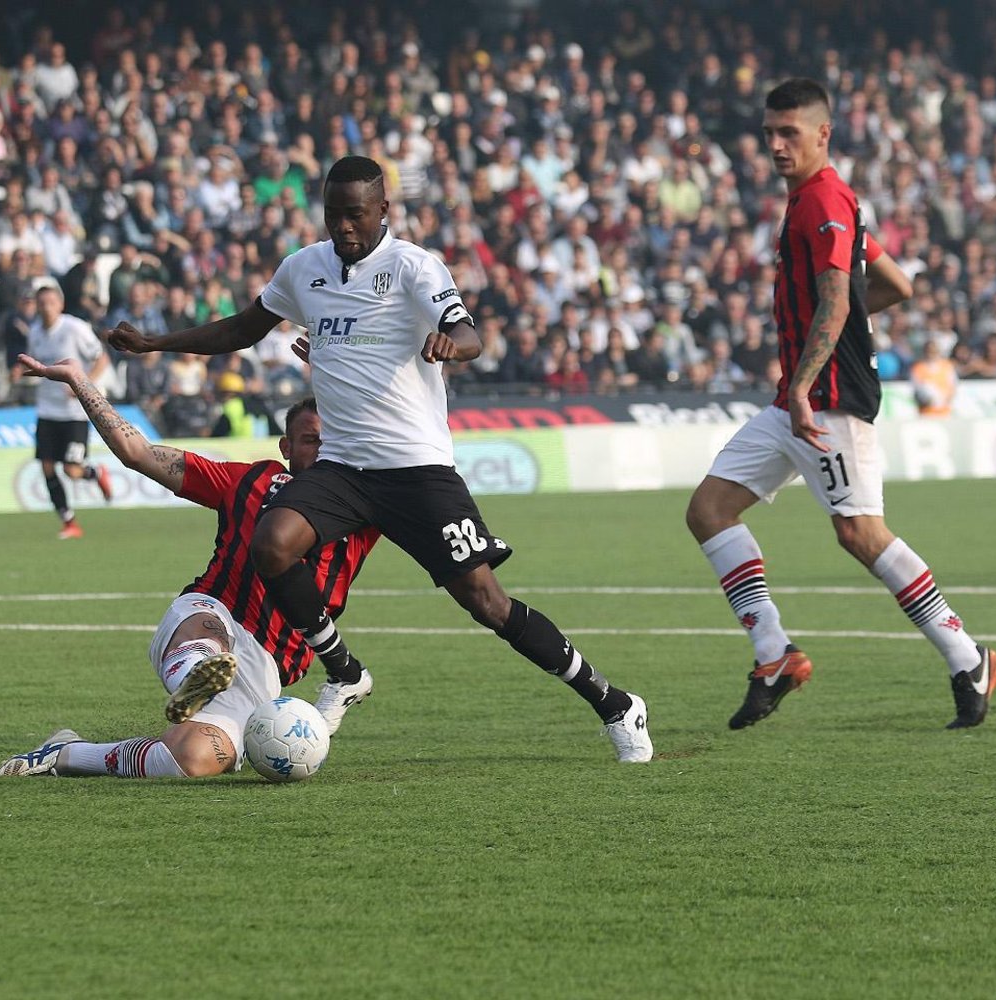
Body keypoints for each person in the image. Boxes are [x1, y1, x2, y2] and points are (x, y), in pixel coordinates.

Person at [111, 156, 652, 763]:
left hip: (416, 469)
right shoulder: (304, 269)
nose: (343, 226)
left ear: (383, 212)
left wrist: (455, 346)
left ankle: (614, 702)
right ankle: (344, 671)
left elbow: (469, 332)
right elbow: (243, 328)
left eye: (355, 214)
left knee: (486, 602)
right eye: (333, 214)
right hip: (344, 470)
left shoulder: (414, 267)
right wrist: (158, 343)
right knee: (272, 544)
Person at [683, 79, 996, 731]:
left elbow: (837, 296)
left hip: (825, 400)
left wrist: (806, 380)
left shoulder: (824, 198)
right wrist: (816, 362)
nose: (775, 145)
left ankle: (967, 656)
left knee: (860, 532)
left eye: (788, 133)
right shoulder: (818, 198)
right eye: (769, 132)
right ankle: (774, 654)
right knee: (709, 510)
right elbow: (895, 284)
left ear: (822, 134)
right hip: (796, 399)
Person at [0, 358, 377, 779]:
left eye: (332, 440)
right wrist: (77, 380)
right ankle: (197, 671)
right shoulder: (249, 482)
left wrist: (342, 369)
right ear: (286, 447)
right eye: (310, 440)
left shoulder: (365, 508)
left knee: (190, 760)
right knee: (208, 644)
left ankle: (67, 754)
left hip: (266, 664)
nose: (322, 450)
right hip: (213, 613)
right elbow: (136, 452)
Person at [24, 284, 113, 538]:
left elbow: (102, 359)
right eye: (41, 303)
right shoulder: (35, 332)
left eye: (51, 302)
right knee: (47, 468)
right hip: (47, 410)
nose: (46, 307)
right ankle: (69, 522)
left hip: (74, 413)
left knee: (72, 470)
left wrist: (82, 385)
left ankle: (96, 473)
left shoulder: (75, 328)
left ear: (60, 304)